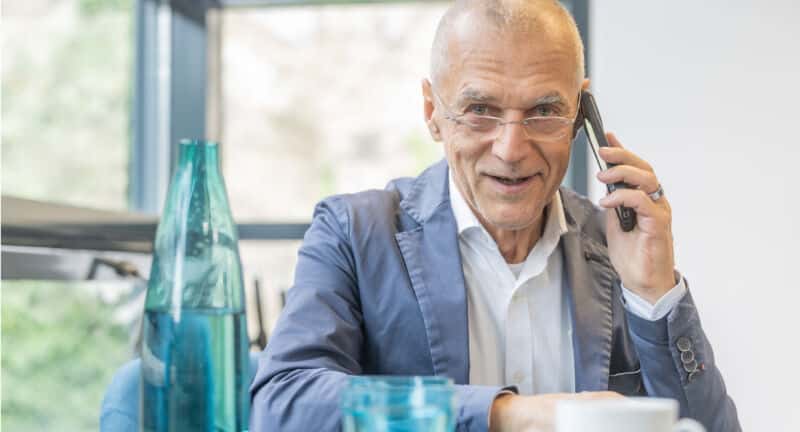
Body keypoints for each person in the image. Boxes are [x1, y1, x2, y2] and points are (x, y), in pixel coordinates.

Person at [249, 1, 741, 431]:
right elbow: (282, 406)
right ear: (432, 111)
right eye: (480, 108)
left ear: (578, 112)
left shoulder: (619, 245)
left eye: (544, 110)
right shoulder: (354, 234)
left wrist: (654, 296)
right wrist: (508, 415)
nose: (511, 149)